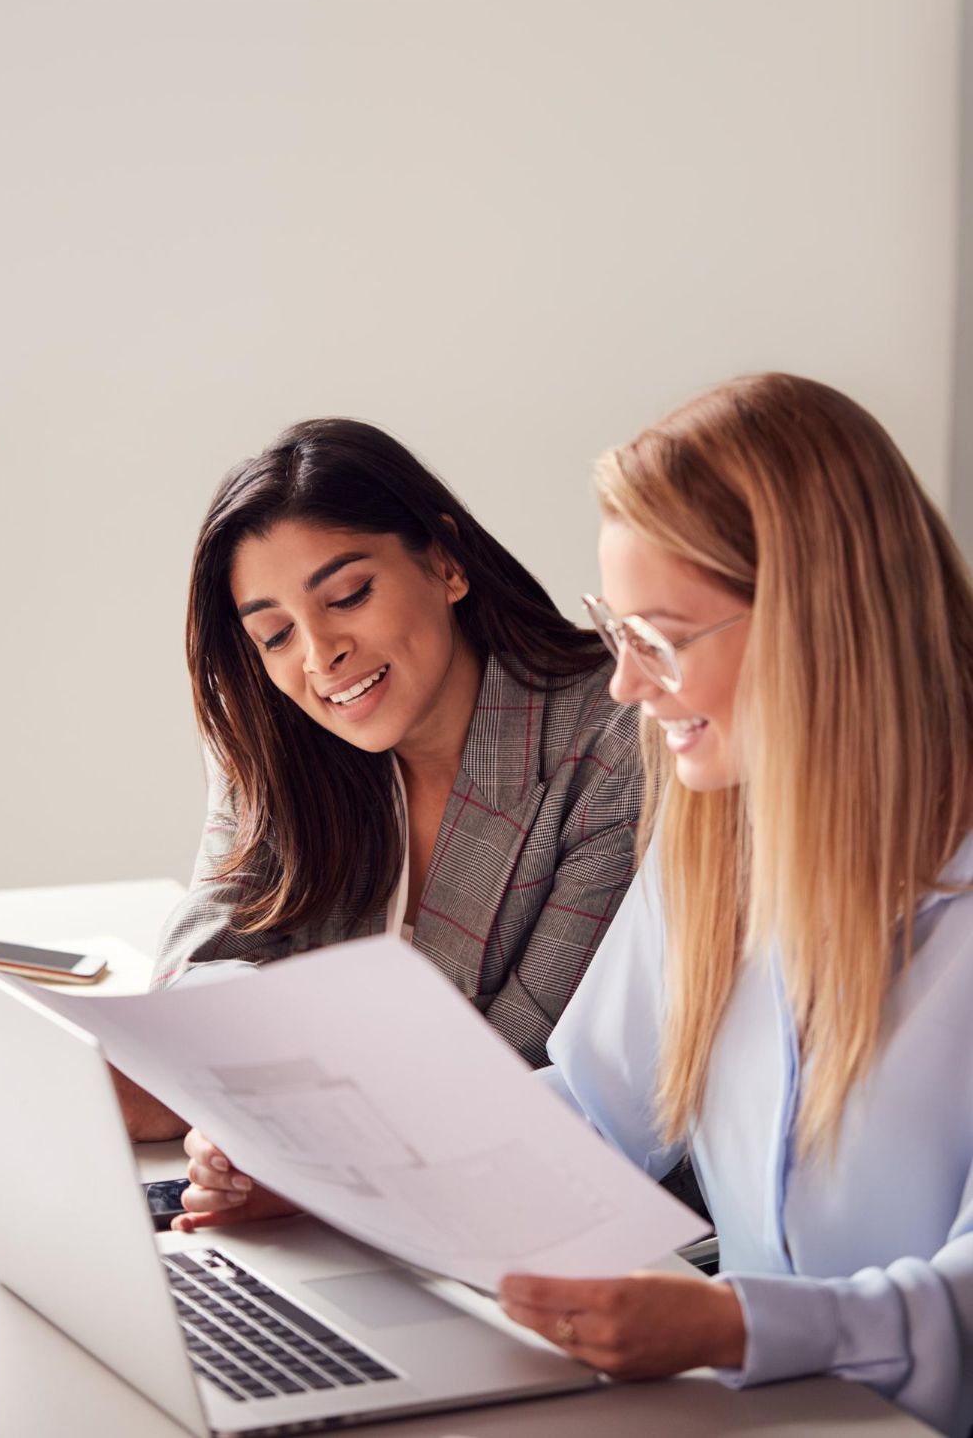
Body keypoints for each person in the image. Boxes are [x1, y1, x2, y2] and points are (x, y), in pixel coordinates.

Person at [489, 374, 973, 1438]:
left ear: (819, 625)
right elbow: (590, 1110)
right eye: (613, 632)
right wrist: (337, 1173)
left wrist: (731, 1329)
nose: (623, 686)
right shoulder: (717, 843)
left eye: (657, 639)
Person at [118, 417, 640, 1145]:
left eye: (349, 594)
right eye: (276, 635)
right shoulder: (271, 737)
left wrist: (271, 1114)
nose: (320, 654)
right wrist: (197, 1071)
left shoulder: (616, 744)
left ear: (447, 564)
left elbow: (520, 1054)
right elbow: (208, 962)